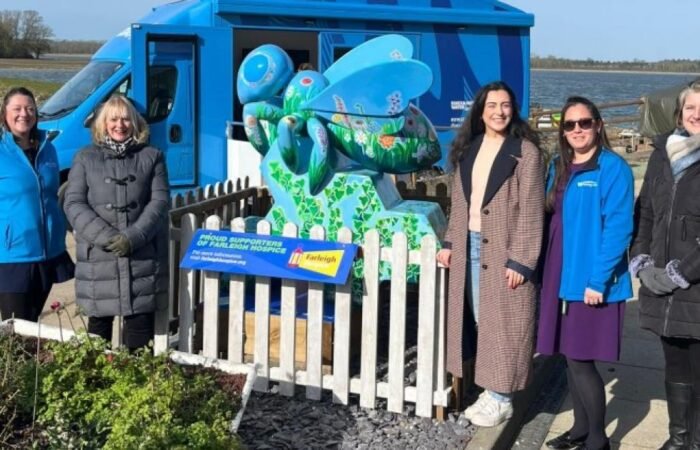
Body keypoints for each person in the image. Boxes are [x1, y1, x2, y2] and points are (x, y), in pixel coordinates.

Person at [436, 81, 544, 427]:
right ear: (480, 111)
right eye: (492, 105)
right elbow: (459, 204)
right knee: (481, 320)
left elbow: (531, 210)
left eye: (506, 105)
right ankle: (490, 388)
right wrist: (450, 243)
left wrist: (522, 260)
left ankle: (502, 398)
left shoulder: (526, 152)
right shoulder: (468, 149)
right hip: (469, 244)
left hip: (505, 248)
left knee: (505, 323)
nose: (499, 112)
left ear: (514, 110)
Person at [539, 96, 634, 450]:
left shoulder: (612, 168)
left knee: (580, 359)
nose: (577, 129)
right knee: (568, 356)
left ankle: (598, 440)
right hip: (560, 273)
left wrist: (598, 280)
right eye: (569, 124)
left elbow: (619, 228)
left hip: (591, 279)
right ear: (562, 131)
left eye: (584, 122)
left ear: (598, 125)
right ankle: (580, 429)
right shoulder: (559, 166)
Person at [64, 94, 169, 350]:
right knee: (97, 335)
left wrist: (133, 237)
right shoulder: (85, 158)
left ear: (135, 122)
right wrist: (107, 238)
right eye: (113, 119)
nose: (119, 125)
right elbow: (74, 203)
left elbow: (160, 202)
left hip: (141, 259)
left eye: (125, 119)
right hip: (99, 260)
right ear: (103, 123)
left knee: (140, 334)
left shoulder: (152, 156)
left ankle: (136, 376)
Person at [630, 80, 700, 450]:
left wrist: (681, 274)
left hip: (693, 283)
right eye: (691, 108)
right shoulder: (662, 153)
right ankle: (678, 438)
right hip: (661, 283)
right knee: (674, 363)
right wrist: (642, 262)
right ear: (679, 113)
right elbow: (645, 213)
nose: (696, 115)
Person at [0, 87, 74, 322]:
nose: (24, 114)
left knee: (32, 324)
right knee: (16, 328)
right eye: (17, 109)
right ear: (4, 113)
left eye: (30, 108)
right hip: (12, 256)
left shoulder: (47, 147)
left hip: (48, 251)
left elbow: (52, 194)